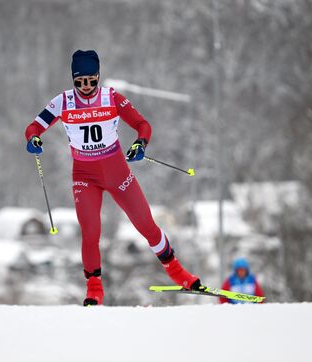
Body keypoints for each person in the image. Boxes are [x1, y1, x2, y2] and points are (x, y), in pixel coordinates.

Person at [24, 49, 202, 306]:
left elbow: (143, 125)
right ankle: (94, 289)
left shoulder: (112, 98)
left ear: (98, 77)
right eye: (80, 82)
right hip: (85, 176)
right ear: (73, 80)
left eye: (91, 81)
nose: (86, 87)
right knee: (90, 231)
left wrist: (140, 143)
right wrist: (34, 138)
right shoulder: (62, 102)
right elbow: (33, 127)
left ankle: (178, 273)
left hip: (117, 172)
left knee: (146, 225)